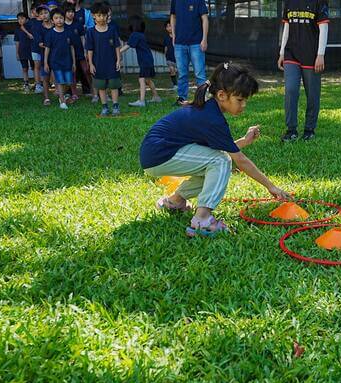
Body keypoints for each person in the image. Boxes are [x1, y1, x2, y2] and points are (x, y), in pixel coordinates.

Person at [139, 62, 291, 237]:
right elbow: (238, 160)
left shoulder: (208, 110)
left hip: (155, 155)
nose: (243, 105)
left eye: (245, 100)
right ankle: (202, 220)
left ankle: (174, 202)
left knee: (215, 162)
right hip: (160, 155)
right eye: (240, 100)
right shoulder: (212, 118)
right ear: (221, 95)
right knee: (220, 161)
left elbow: (218, 151)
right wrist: (271, 187)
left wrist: (244, 141)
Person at [278, 0, 329, 142]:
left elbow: (323, 28)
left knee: (312, 94)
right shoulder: (289, 2)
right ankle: (291, 130)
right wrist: (282, 52)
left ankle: (309, 130)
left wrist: (320, 55)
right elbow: (287, 27)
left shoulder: (320, 2)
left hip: (311, 55)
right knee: (291, 90)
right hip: (291, 53)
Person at [85, 1, 122, 116]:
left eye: (104, 15)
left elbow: (117, 45)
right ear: (93, 16)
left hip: (111, 63)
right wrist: (91, 64)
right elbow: (89, 50)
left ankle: (115, 106)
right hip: (98, 63)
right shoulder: (91, 32)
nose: (102, 18)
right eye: (99, 15)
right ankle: (105, 107)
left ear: (108, 15)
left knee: (114, 85)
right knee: (101, 87)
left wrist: (118, 60)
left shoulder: (112, 30)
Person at [170, 0, 209, 106]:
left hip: (196, 43)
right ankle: (181, 98)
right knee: (182, 74)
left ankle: (203, 99)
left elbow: (205, 19)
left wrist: (204, 39)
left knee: (200, 74)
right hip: (179, 43)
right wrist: (173, 35)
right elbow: (173, 16)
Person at [120, 15, 161, 107]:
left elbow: (128, 46)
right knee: (148, 80)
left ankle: (141, 101)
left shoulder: (135, 35)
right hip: (148, 59)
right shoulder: (141, 35)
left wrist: (117, 52)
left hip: (145, 60)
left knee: (141, 79)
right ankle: (156, 97)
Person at [44, 8, 76, 109]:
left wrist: (74, 62)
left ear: (64, 19)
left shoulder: (68, 32)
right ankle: (62, 101)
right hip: (55, 62)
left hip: (67, 61)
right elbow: (47, 49)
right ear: (52, 20)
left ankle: (61, 94)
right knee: (60, 81)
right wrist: (45, 63)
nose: (59, 20)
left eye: (61, 18)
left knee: (68, 82)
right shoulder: (50, 34)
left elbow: (72, 48)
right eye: (56, 18)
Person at [64, 3, 89, 100]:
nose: (71, 14)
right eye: (69, 12)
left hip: (80, 52)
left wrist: (85, 50)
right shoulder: (62, 24)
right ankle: (74, 93)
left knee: (87, 71)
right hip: (68, 54)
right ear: (65, 13)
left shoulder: (78, 24)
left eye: (72, 12)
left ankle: (94, 91)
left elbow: (83, 37)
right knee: (72, 73)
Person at [38, 6, 54, 106]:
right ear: (39, 16)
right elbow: (40, 43)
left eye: (45, 12)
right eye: (41, 13)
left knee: (58, 76)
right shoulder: (39, 28)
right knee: (45, 77)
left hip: (57, 55)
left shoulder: (56, 24)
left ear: (49, 13)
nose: (44, 15)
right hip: (45, 56)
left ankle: (62, 95)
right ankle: (47, 98)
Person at [14, 12, 34, 92]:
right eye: (18, 19)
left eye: (22, 18)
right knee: (24, 68)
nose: (20, 20)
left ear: (26, 19)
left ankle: (37, 83)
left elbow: (32, 37)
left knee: (34, 67)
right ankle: (26, 83)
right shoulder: (17, 30)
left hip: (31, 50)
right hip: (22, 51)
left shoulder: (31, 27)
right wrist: (17, 52)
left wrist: (25, 31)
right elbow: (17, 42)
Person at [163, 20, 178, 91]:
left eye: (170, 26)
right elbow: (165, 47)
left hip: (177, 57)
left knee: (181, 71)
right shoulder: (165, 37)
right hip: (169, 57)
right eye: (167, 27)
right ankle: (175, 84)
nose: (169, 28)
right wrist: (165, 55)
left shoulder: (178, 35)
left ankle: (181, 84)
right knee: (172, 70)